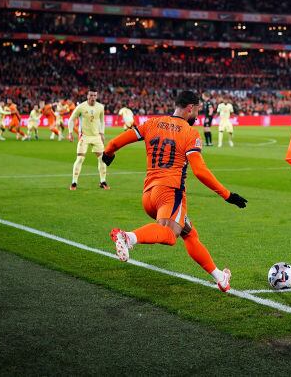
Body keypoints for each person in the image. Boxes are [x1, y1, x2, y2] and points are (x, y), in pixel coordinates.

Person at [104, 90, 247, 292]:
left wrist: (108, 152)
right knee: (171, 235)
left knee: (189, 233)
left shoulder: (152, 123)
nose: (197, 114)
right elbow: (200, 171)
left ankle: (221, 278)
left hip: (149, 195)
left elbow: (116, 142)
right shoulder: (189, 133)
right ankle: (128, 237)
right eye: (197, 110)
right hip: (170, 195)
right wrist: (227, 195)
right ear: (190, 108)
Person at [68, 91, 108, 190]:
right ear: (87, 96)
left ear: (96, 96)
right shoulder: (81, 107)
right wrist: (70, 133)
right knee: (80, 159)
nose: (93, 97)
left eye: (95, 95)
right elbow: (71, 119)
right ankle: (74, 182)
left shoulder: (100, 107)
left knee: (102, 159)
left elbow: (102, 121)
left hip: (96, 136)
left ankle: (103, 181)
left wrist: (102, 133)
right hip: (84, 136)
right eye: (91, 95)